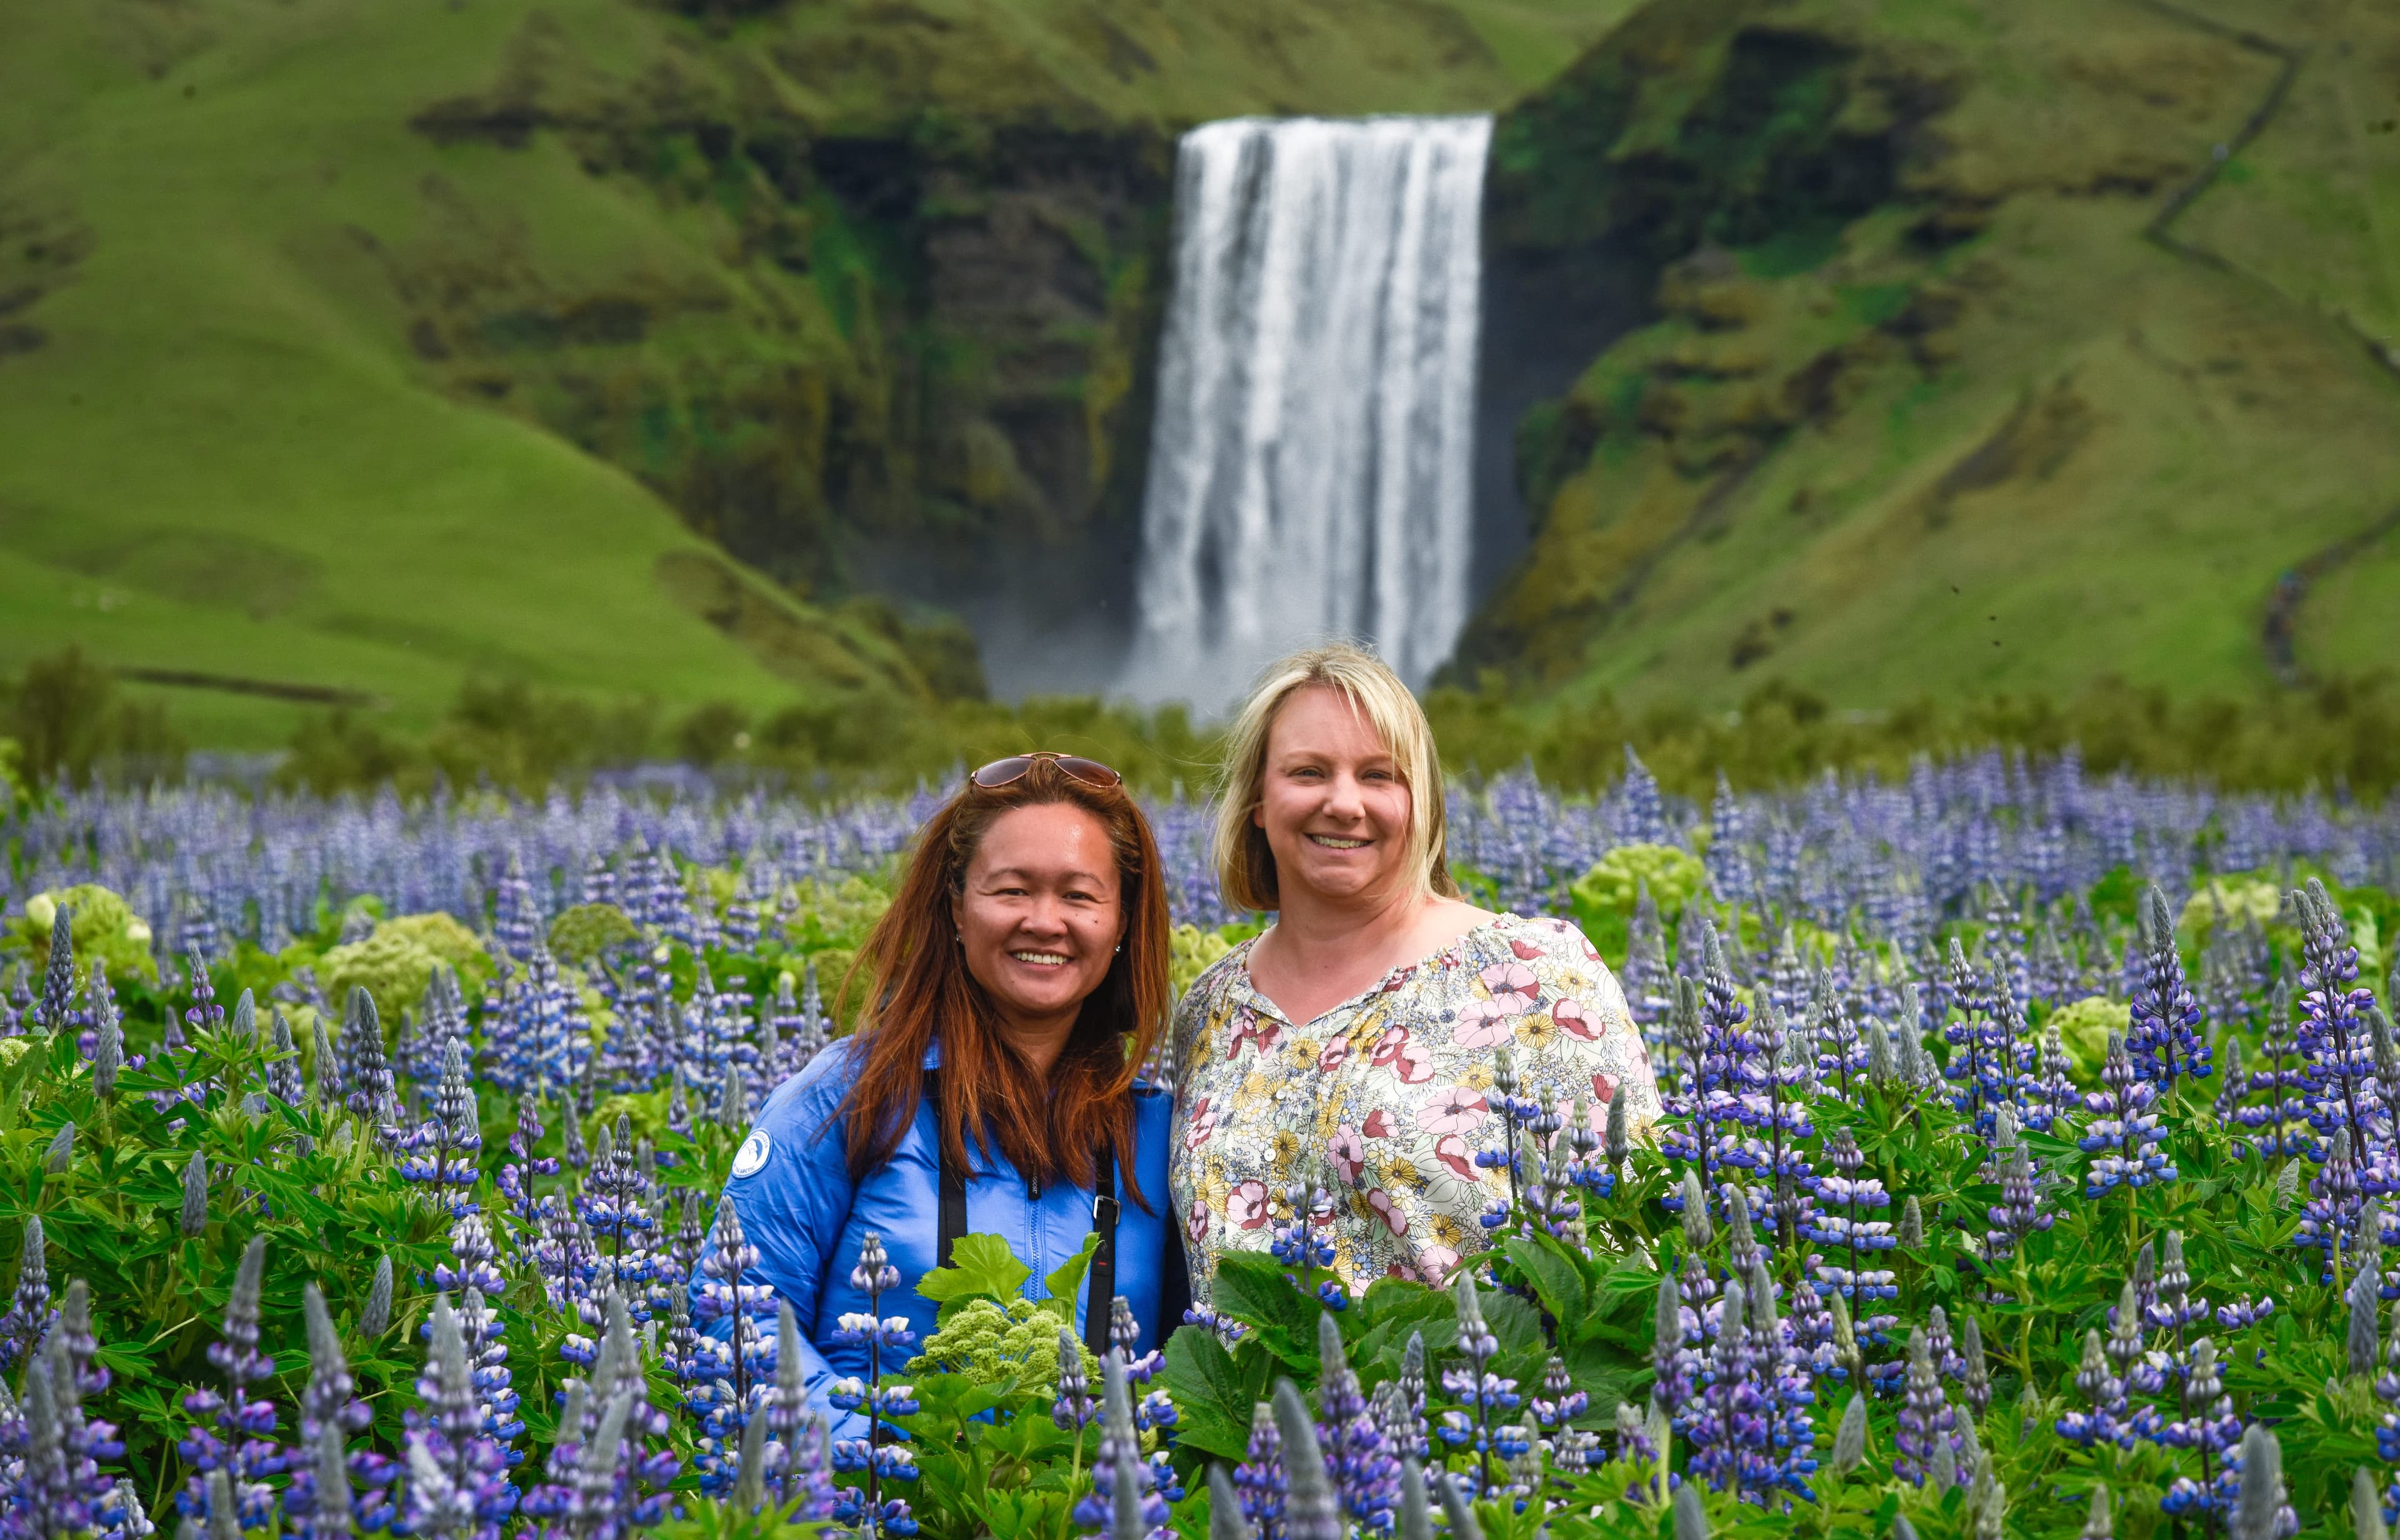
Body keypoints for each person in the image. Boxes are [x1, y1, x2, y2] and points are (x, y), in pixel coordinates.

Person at [1171, 644, 1661, 1299]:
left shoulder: (1534, 973)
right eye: (1308, 772)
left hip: (1477, 1365)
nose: (1344, 803)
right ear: (1258, 799)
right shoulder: (1210, 1008)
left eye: (1379, 775)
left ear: (1422, 800)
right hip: (1241, 1370)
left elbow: (1633, 1247)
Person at [711, 752, 1181, 1432]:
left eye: (1079, 897)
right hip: (864, 1487)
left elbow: (1193, 1361)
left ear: (1122, 924)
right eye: (1012, 890)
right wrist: (887, 1463)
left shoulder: (1159, 1133)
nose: (1044, 921)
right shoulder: (848, 1096)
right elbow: (734, 1321)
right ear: (957, 907)